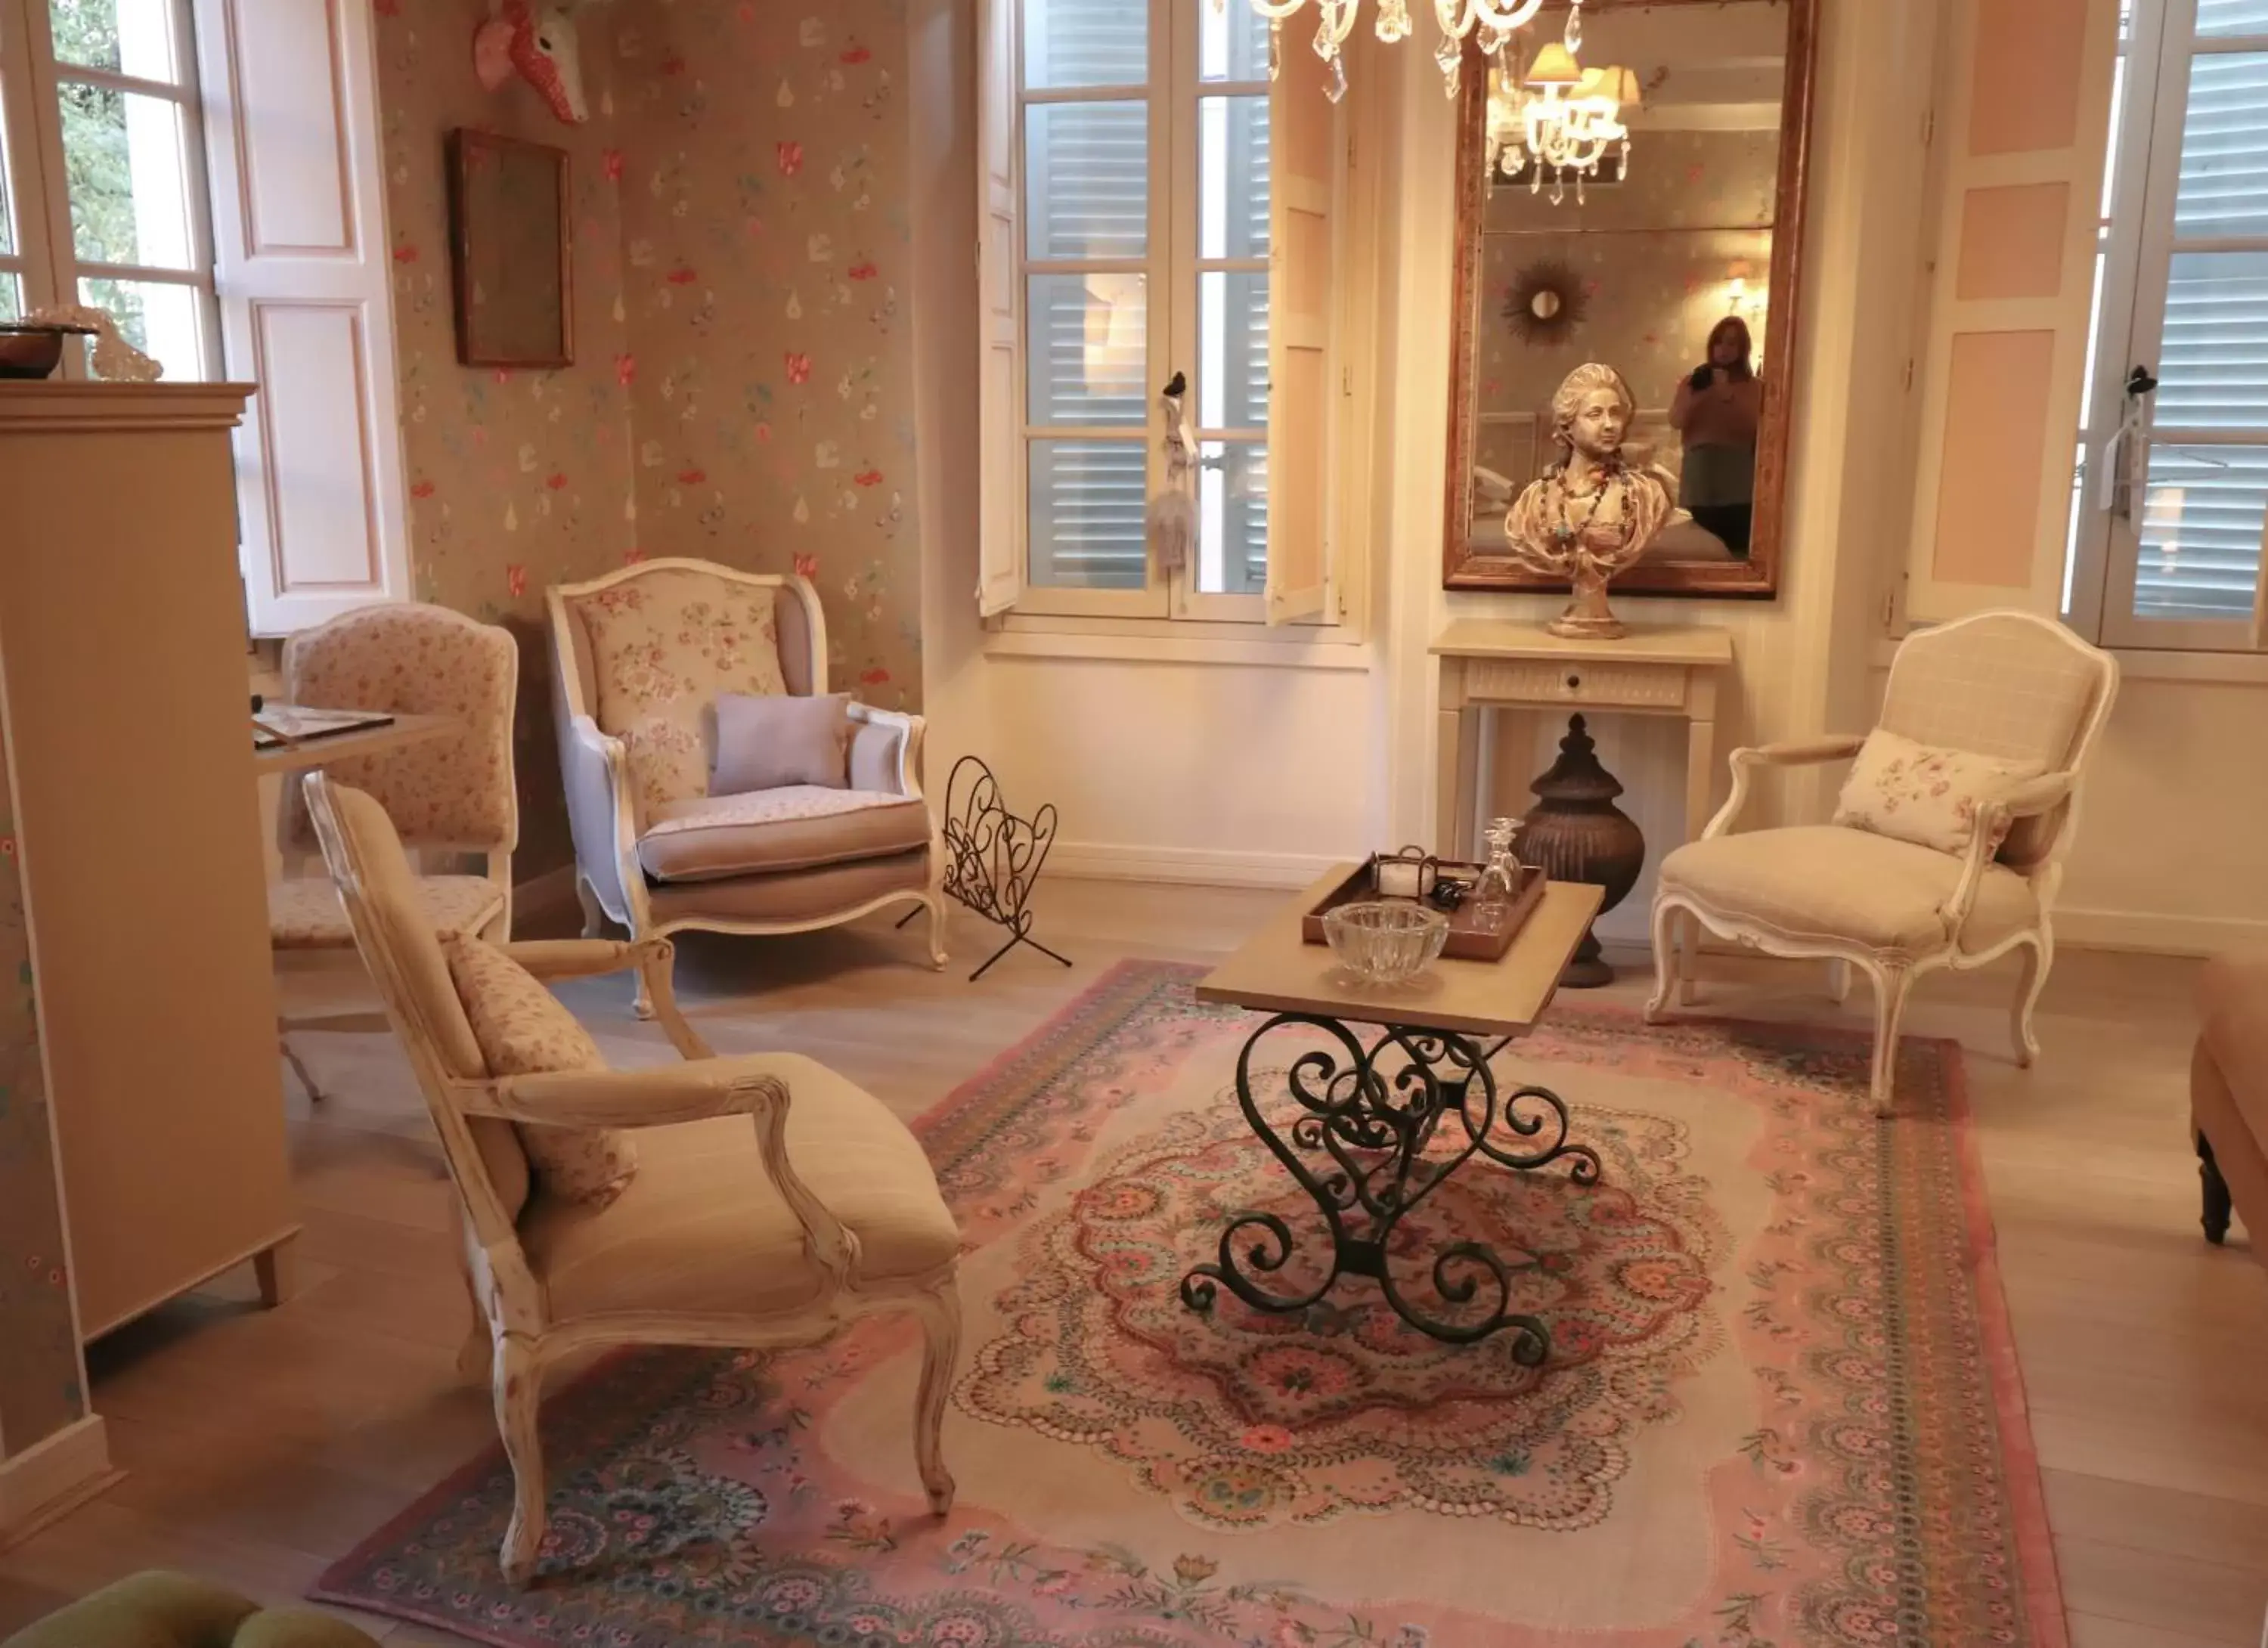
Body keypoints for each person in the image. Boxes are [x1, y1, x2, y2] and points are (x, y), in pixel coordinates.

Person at [1668, 314, 1763, 556]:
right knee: (1699, 551)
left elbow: (1754, 426)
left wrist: (1726, 394)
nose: (1724, 349)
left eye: (1732, 343)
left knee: (1738, 550)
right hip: (1700, 479)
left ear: (1743, 349)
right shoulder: (1693, 383)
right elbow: (1676, 420)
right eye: (1719, 342)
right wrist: (1694, 394)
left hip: (1738, 481)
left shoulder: (1754, 387)